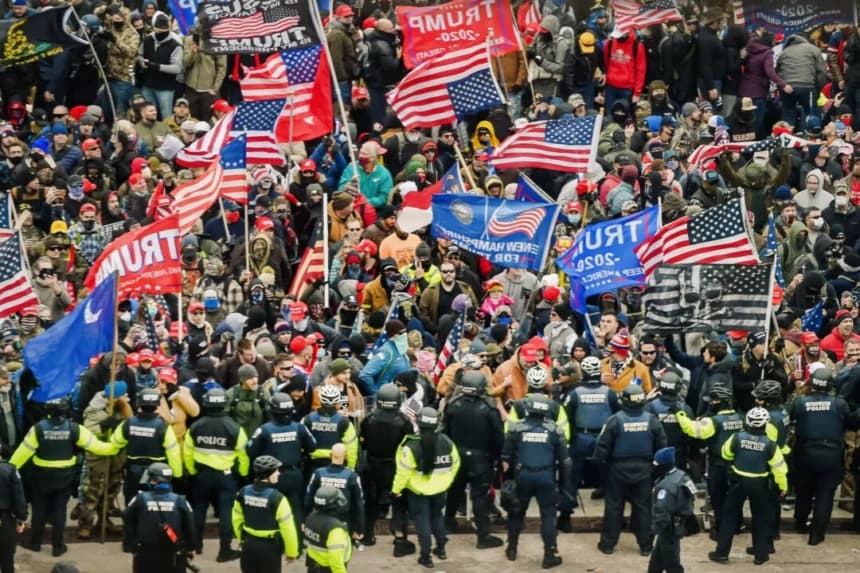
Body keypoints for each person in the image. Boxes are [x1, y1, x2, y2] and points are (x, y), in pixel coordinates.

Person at [11, 398, 114, 556]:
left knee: (39, 511)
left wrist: (7, 470)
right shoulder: (75, 429)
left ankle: (35, 543)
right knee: (60, 511)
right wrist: (117, 444)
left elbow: (20, 456)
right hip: (65, 477)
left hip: (42, 477)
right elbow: (100, 448)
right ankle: (58, 547)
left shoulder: (38, 429)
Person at [593, 384, 667, 556]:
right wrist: (655, 468)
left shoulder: (614, 420)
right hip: (644, 469)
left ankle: (608, 545)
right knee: (643, 508)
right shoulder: (652, 420)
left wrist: (601, 467)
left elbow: (601, 447)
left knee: (614, 507)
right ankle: (646, 546)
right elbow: (662, 446)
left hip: (617, 469)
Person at [709, 407, 788, 566]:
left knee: (729, 518)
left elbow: (726, 454)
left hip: (738, 482)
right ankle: (761, 555)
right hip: (760, 485)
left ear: (747, 422)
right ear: (765, 424)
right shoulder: (771, 445)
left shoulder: (737, 438)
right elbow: (780, 470)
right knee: (760, 519)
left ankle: (722, 553)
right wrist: (782, 487)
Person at [788, 368, 858, 545]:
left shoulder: (800, 403)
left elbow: (786, 417)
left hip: (805, 452)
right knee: (825, 494)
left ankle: (800, 524)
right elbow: (851, 423)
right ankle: (816, 534)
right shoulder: (839, 404)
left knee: (803, 491)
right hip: (831, 453)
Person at [501, 391, 570, 569]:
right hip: (546, 477)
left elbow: (505, 458)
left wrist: (507, 482)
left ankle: (512, 549)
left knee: (516, 513)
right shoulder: (555, 430)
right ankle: (549, 554)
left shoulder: (516, 429)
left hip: (522, 476)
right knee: (548, 516)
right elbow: (565, 462)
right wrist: (565, 488)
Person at [183, 388, 250, 562]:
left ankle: (195, 546)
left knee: (198, 510)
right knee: (227, 513)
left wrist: (192, 471)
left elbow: (187, 452)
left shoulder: (195, 426)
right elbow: (243, 455)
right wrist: (242, 475)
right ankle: (224, 551)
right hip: (226, 477)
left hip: (201, 476)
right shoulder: (234, 427)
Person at [441, 370, 504, 548]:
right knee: (480, 497)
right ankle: (483, 536)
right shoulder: (489, 408)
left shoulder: (453, 405)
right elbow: (498, 436)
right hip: (481, 459)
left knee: (454, 492)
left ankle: (448, 524)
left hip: (457, 457)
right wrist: (500, 457)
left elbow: (445, 433)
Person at [391, 407, 460, 569]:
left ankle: (426, 556)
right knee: (437, 518)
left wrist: (396, 490)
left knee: (423, 523)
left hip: (418, 492)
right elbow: (456, 464)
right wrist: (446, 483)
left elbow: (403, 473)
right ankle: (441, 549)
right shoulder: (447, 442)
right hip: (440, 490)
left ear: (418, 423)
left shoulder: (411, 446)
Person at [675, 386, 743, 540]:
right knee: (734, 498)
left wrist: (680, 415)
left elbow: (693, 430)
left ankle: (720, 530)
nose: (710, 404)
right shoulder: (740, 418)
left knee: (718, 499)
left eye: (712, 402)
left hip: (718, 466)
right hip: (737, 466)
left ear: (718, 402)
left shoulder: (714, 421)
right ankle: (736, 526)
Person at [245, 393, 316, 540]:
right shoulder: (299, 428)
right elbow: (313, 446)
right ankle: (296, 544)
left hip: (271, 476)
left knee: (272, 508)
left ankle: (275, 541)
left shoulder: (264, 430)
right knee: (295, 509)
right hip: (294, 475)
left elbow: (250, 450)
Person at [563, 356, 620, 528]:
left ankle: (565, 516)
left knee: (573, 477)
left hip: (581, 437)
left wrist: (570, 440)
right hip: (603, 438)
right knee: (609, 476)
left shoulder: (574, 394)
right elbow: (617, 416)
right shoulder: (610, 393)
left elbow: (567, 418)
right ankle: (613, 517)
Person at [359, 383, 413, 552]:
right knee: (399, 503)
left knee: (371, 502)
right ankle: (400, 539)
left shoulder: (369, 420)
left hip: (373, 465)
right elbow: (409, 444)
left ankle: (367, 535)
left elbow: (364, 443)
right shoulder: (403, 421)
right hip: (395, 467)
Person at [111, 388, 183, 507]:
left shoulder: (128, 423)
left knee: (132, 503)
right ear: (157, 404)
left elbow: (114, 445)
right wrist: (177, 475)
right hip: (158, 473)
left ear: (139, 403)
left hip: (133, 471)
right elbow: (173, 453)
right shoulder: (163, 426)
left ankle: (130, 525)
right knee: (156, 505)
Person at [231, 455, 300, 573]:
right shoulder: (278, 498)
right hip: (270, 548)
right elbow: (288, 529)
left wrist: (242, 539)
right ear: (269, 474)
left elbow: (236, 519)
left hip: (248, 545)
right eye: (276, 471)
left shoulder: (242, 493)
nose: (278, 473)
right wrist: (292, 552)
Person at [123, 462, 195, 573]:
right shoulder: (180, 500)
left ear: (154, 480)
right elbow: (190, 526)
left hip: (145, 551)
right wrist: (191, 547)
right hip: (173, 551)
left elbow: (127, 518)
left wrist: (132, 543)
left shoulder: (140, 498)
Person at [649, 447, 696, 573]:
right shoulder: (682, 475)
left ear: (664, 465)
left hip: (669, 528)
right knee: (656, 562)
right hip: (678, 524)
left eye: (656, 463)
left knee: (672, 565)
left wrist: (652, 532)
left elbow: (662, 513)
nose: (653, 466)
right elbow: (692, 497)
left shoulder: (666, 486)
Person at [304, 443, 364, 539]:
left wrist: (306, 521)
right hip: (343, 520)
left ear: (330, 455)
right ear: (345, 456)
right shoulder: (352, 476)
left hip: (319, 518)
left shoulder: (318, 473)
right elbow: (359, 504)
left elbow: (308, 499)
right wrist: (359, 528)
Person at [302, 385, 358, 470]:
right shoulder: (344, 422)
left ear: (320, 399)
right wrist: (351, 467)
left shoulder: (307, 419)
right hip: (337, 463)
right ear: (337, 401)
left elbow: (300, 442)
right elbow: (351, 447)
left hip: (312, 464)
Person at [303, 486, 353, 573]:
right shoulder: (335, 528)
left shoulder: (311, 517)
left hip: (313, 565)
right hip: (328, 569)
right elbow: (335, 561)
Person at [0, 443, 26, 573]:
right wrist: (21, 518)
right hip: (3, 520)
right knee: (6, 558)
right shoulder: (9, 470)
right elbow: (19, 497)